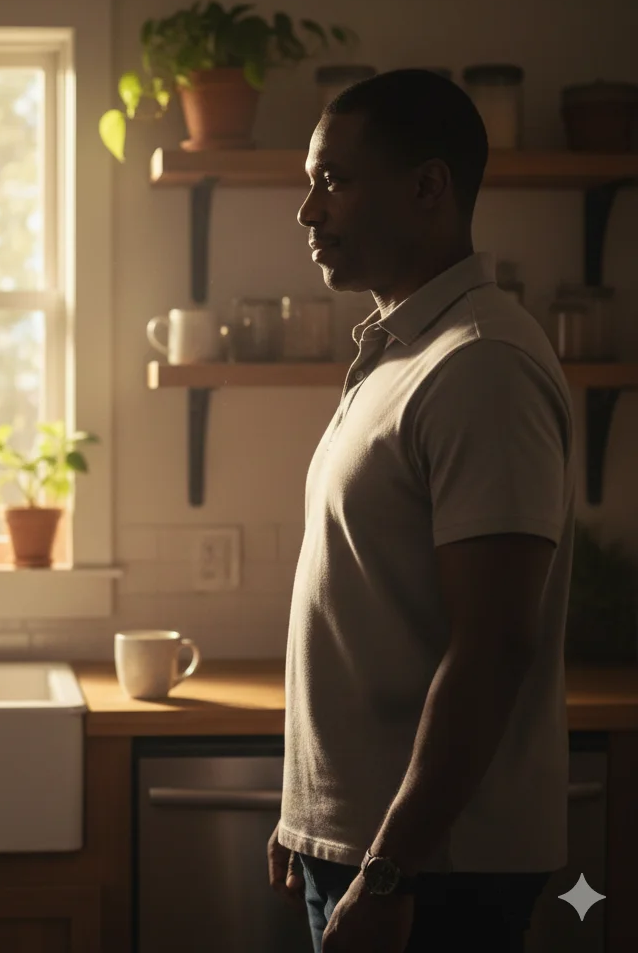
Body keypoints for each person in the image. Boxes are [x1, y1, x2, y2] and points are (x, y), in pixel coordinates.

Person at [266, 70, 574, 953]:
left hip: (435, 868)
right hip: (371, 847)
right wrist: (308, 815)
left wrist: (390, 866)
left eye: (334, 180)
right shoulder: (403, 351)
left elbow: (493, 643)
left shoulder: (481, 365)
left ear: (428, 187)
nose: (308, 212)